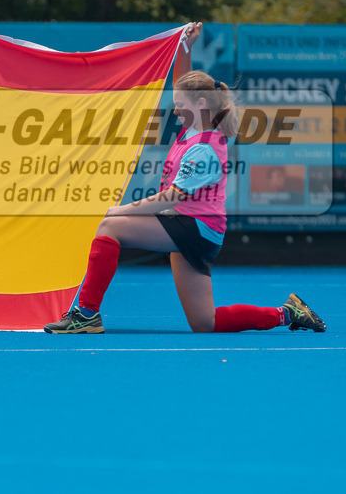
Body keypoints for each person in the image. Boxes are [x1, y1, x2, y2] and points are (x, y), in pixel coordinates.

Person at [44, 22, 326, 334]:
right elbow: (185, 85)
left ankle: (86, 314)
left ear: (200, 105)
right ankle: (287, 314)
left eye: (180, 107)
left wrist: (122, 209)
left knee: (111, 226)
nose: (176, 111)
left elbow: (171, 197)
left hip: (195, 228)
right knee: (205, 323)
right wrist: (185, 47)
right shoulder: (196, 125)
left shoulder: (204, 149)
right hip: (198, 228)